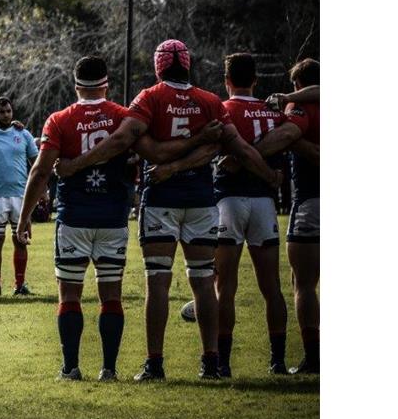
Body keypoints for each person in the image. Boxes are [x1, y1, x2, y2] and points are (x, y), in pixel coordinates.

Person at [56, 39, 279, 380]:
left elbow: (122, 142)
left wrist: (75, 165)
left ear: (158, 66)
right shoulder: (209, 101)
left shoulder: (149, 98)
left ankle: (155, 364)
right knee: (203, 281)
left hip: (161, 200)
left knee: (157, 282)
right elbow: (239, 148)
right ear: (187, 65)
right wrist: (269, 175)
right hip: (202, 202)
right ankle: (211, 362)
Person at [16, 57, 133, 381]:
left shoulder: (59, 120)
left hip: (74, 218)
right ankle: (109, 369)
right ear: (106, 84)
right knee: (111, 295)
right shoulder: (123, 116)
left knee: (69, 295)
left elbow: (40, 171)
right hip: (113, 218)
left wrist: (24, 217)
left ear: (76, 85)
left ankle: (71, 367)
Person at [191, 53, 291, 376]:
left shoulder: (223, 108)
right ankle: (277, 359)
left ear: (227, 81)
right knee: (272, 287)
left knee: (225, 287)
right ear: (256, 80)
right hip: (263, 202)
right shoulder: (271, 112)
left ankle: (223, 362)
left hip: (228, 201)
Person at [252, 61, 320, 374]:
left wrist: (248, 153)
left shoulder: (301, 108)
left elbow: (285, 135)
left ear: (298, 86)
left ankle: (314, 358)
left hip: (312, 201)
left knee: (303, 283)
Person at [0, 97, 40, 296]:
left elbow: (36, 163)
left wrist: (41, 190)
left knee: (21, 240)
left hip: (21, 196)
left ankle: (20, 285)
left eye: (8, 111)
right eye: (1, 112)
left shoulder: (23, 134)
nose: (6, 115)